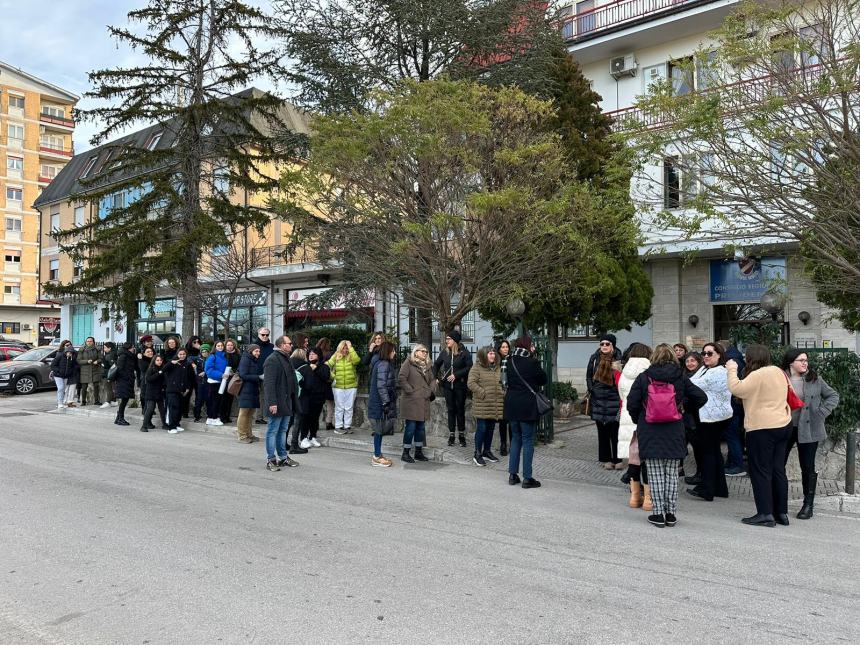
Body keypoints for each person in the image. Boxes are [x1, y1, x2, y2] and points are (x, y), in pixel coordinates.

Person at [627, 344, 707, 528]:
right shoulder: (680, 377)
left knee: (654, 474)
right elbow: (701, 397)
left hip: (649, 430)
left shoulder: (644, 377)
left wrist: (639, 419)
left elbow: (632, 403)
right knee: (671, 474)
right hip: (674, 430)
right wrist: (683, 407)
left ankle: (657, 514)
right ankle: (670, 514)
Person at [727, 344, 793, 527]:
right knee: (778, 469)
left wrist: (732, 369)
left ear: (750, 358)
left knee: (761, 471)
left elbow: (737, 389)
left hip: (762, 428)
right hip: (783, 424)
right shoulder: (779, 371)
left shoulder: (757, 374)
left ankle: (765, 513)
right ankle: (781, 513)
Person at [781, 348, 840, 520]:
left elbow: (833, 396)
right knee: (778, 464)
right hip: (784, 426)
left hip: (809, 428)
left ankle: (808, 505)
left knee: (807, 467)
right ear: (791, 362)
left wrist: (821, 413)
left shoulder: (814, 379)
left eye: (806, 360)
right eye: (801, 360)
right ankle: (778, 501)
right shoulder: (780, 377)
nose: (805, 363)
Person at [687, 343, 733, 502]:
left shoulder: (719, 371)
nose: (705, 356)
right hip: (707, 416)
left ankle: (707, 489)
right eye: (704, 353)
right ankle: (720, 488)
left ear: (719, 355)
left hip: (713, 417)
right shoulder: (705, 368)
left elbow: (692, 384)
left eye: (709, 353)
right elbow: (691, 380)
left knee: (708, 452)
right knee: (713, 452)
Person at [505, 336, 547, 489]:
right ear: (528, 346)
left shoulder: (509, 361)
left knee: (516, 438)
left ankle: (512, 474)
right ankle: (527, 478)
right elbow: (543, 379)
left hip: (511, 404)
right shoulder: (531, 362)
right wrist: (534, 357)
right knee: (528, 440)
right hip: (527, 405)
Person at [617, 343, 652, 510]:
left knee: (633, 458)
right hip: (645, 416)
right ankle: (647, 499)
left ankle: (634, 496)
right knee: (646, 458)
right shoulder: (649, 370)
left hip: (627, 415)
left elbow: (622, 394)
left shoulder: (625, 371)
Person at [263, 335, 300, 471]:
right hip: (277, 402)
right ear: (282, 345)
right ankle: (271, 459)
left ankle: (283, 457)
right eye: (289, 343)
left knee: (283, 430)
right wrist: (272, 403)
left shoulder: (286, 358)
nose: (291, 345)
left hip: (287, 400)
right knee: (272, 431)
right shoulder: (272, 360)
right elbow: (269, 384)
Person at [586, 334, 623, 469]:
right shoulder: (594, 358)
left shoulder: (619, 358)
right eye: (602, 344)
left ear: (613, 345)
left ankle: (617, 459)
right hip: (598, 399)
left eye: (607, 344)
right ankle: (606, 459)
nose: (604, 346)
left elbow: (621, 378)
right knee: (602, 431)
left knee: (615, 431)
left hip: (614, 398)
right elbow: (588, 376)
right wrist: (592, 389)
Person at [433, 330, 473, 447]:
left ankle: (461, 435)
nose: (446, 341)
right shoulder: (444, 353)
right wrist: (435, 377)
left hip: (460, 386)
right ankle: (451, 435)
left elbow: (469, 367)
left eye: (449, 339)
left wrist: (456, 375)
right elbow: (436, 365)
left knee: (460, 410)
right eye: (446, 339)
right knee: (450, 410)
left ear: (455, 340)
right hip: (447, 387)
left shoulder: (464, 353)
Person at [467, 346, 504, 467]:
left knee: (490, 428)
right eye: (490, 353)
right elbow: (471, 383)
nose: (492, 355)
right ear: (484, 355)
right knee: (482, 428)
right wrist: (482, 392)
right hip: (482, 404)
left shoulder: (498, 367)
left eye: (493, 353)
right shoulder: (477, 367)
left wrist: (502, 392)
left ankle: (486, 451)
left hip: (494, 404)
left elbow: (502, 382)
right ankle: (477, 454)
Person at [398, 344, 434, 463]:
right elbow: (401, 378)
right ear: (416, 352)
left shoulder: (427, 366)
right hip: (411, 401)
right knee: (411, 427)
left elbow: (432, 380)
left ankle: (418, 452)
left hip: (423, 400)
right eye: (422, 351)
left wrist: (431, 390)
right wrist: (410, 390)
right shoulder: (408, 363)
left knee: (420, 428)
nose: (425, 353)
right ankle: (406, 453)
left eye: (426, 351)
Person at [368, 340, 398, 467]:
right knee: (379, 430)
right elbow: (381, 386)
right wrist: (386, 402)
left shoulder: (381, 363)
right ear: (388, 351)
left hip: (378, 402)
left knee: (379, 430)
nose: (395, 353)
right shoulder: (384, 364)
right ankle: (376, 456)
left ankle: (378, 454)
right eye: (393, 351)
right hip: (379, 403)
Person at [723, 340, 747, 476]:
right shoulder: (739, 359)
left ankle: (737, 465)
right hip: (737, 405)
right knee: (734, 435)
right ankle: (732, 462)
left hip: (732, 404)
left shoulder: (731, 362)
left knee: (732, 436)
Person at [298, 347, 331, 449]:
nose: (311, 355)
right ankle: (303, 438)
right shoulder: (304, 366)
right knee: (305, 417)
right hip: (306, 396)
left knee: (315, 418)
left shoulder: (324, 366)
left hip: (319, 396)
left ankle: (313, 436)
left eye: (313, 354)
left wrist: (316, 369)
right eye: (310, 354)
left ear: (319, 355)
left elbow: (326, 377)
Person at [327, 339, 361, 434]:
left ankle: (347, 426)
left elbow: (357, 361)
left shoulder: (351, 355)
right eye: (343, 348)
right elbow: (327, 366)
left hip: (352, 386)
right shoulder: (335, 356)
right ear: (340, 348)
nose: (345, 350)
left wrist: (351, 348)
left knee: (349, 407)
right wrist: (333, 376)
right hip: (338, 386)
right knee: (339, 407)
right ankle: (338, 427)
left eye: (346, 348)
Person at [237, 344, 263, 444]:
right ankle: (242, 436)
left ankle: (249, 434)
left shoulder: (253, 360)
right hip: (245, 390)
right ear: (250, 351)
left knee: (250, 413)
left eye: (259, 351)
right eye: (256, 351)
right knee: (244, 413)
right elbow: (243, 375)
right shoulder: (245, 359)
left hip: (252, 390)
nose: (258, 353)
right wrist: (258, 377)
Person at [163, 348, 193, 433]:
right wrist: (171, 363)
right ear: (177, 354)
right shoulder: (173, 363)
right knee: (173, 408)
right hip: (172, 389)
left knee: (180, 408)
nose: (182, 356)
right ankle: (171, 427)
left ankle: (176, 424)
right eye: (180, 354)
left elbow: (190, 377)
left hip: (182, 390)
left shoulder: (188, 364)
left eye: (184, 354)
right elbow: (164, 369)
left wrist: (188, 388)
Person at [288, 348, 310, 454]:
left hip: (289, 396)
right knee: (297, 422)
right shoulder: (306, 367)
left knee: (288, 421)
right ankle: (294, 445)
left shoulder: (287, 363)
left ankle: (283, 442)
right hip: (301, 398)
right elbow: (309, 385)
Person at [141, 354, 167, 432]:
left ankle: (165, 425)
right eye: (157, 360)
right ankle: (144, 426)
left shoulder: (162, 369)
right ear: (154, 361)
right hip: (151, 392)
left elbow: (164, 381)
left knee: (162, 409)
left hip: (159, 392)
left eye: (160, 360)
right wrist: (159, 373)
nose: (159, 362)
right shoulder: (151, 369)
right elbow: (149, 379)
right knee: (150, 409)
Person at [113, 342, 137, 426]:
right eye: (132, 347)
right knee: (124, 400)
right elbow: (120, 369)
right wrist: (127, 377)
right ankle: (120, 418)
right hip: (123, 381)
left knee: (124, 400)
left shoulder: (129, 356)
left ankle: (118, 418)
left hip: (127, 380)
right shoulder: (123, 356)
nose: (133, 349)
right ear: (128, 348)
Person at [204, 341, 228, 426]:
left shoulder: (224, 357)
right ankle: (213, 418)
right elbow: (209, 371)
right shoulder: (212, 357)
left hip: (221, 382)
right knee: (214, 401)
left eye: (221, 345)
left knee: (217, 401)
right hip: (213, 382)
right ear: (215, 347)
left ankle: (211, 418)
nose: (220, 347)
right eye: (218, 346)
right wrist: (221, 375)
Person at [254, 328, 274, 425]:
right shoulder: (253, 346)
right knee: (254, 396)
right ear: (258, 334)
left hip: (268, 375)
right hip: (254, 375)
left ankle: (260, 417)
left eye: (267, 335)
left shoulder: (272, 347)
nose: (265, 336)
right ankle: (256, 416)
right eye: (263, 335)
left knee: (265, 396)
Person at [315, 337, 336, 431]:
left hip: (317, 381)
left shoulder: (315, 353)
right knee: (330, 404)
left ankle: (316, 423)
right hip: (327, 382)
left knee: (317, 405)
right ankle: (328, 422)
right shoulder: (330, 354)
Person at [219, 338, 241, 424]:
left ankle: (227, 416)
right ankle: (222, 416)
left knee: (230, 399)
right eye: (228, 345)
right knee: (223, 399)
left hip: (233, 379)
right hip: (223, 378)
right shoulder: (222, 354)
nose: (230, 347)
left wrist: (234, 372)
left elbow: (240, 365)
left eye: (231, 345)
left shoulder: (238, 355)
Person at [50, 340, 76, 409]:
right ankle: (60, 403)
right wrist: (58, 371)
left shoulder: (72, 358)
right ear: (65, 351)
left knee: (64, 389)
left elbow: (73, 366)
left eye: (71, 353)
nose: (69, 354)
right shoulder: (60, 355)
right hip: (58, 375)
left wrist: (70, 372)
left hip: (65, 376)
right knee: (61, 388)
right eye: (68, 352)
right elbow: (53, 365)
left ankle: (62, 401)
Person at [496, 339, 512, 455]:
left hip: (511, 392)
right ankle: (503, 444)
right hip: (500, 392)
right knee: (502, 420)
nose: (505, 349)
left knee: (511, 420)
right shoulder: (496, 361)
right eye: (503, 347)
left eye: (507, 347)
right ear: (499, 349)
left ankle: (512, 444)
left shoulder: (512, 360)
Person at [77, 336, 102, 406]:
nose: (89, 342)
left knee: (96, 386)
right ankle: (83, 401)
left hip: (95, 369)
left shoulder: (97, 349)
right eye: (87, 341)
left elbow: (101, 358)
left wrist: (97, 361)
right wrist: (87, 361)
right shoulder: (82, 349)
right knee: (84, 387)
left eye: (90, 341)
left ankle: (96, 401)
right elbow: (78, 360)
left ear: (93, 342)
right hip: (85, 370)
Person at [192, 344, 210, 422]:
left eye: (206, 351)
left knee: (209, 400)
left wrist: (205, 372)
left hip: (209, 382)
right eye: (202, 351)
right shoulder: (198, 358)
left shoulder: (211, 359)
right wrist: (193, 364)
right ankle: (197, 416)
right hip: (200, 382)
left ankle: (209, 415)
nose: (204, 353)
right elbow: (189, 358)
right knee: (199, 400)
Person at [100, 341, 117, 409]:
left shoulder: (110, 356)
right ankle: (113, 401)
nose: (103, 349)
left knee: (108, 388)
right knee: (112, 388)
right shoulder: (111, 354)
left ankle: (108, 402)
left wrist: (109, 376)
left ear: (109, 348)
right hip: (109, 374)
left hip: (108, 374)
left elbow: (112, 367)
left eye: (105, 347)